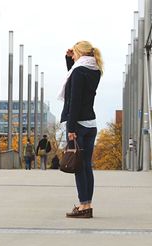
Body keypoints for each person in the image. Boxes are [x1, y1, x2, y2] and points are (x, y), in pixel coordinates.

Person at [58, 41, 103, 219]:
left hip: (78, 124)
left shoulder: (78, 71)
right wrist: (68, 60)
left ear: (79, 53)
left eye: (74, 54)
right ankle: (87, 204)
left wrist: (70, 128)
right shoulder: (95, 70)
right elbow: (76, 80)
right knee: (86, 166)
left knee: (77, 167)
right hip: (91, 124)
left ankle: (83, 205)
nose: (73, 57)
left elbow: (75, 99)